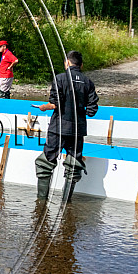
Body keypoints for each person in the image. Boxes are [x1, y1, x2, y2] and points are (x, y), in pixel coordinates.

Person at [34, 50, 99, 202]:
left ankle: (41, 202)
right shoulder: (88, 82)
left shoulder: (60, 78)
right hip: (78, 130)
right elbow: (92, 110)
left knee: (45, 162)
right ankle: (66, 202)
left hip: (58, 128)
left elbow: (54, 104)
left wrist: (44, 107)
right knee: (73, 165)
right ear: (81, 65)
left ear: (67, 63)